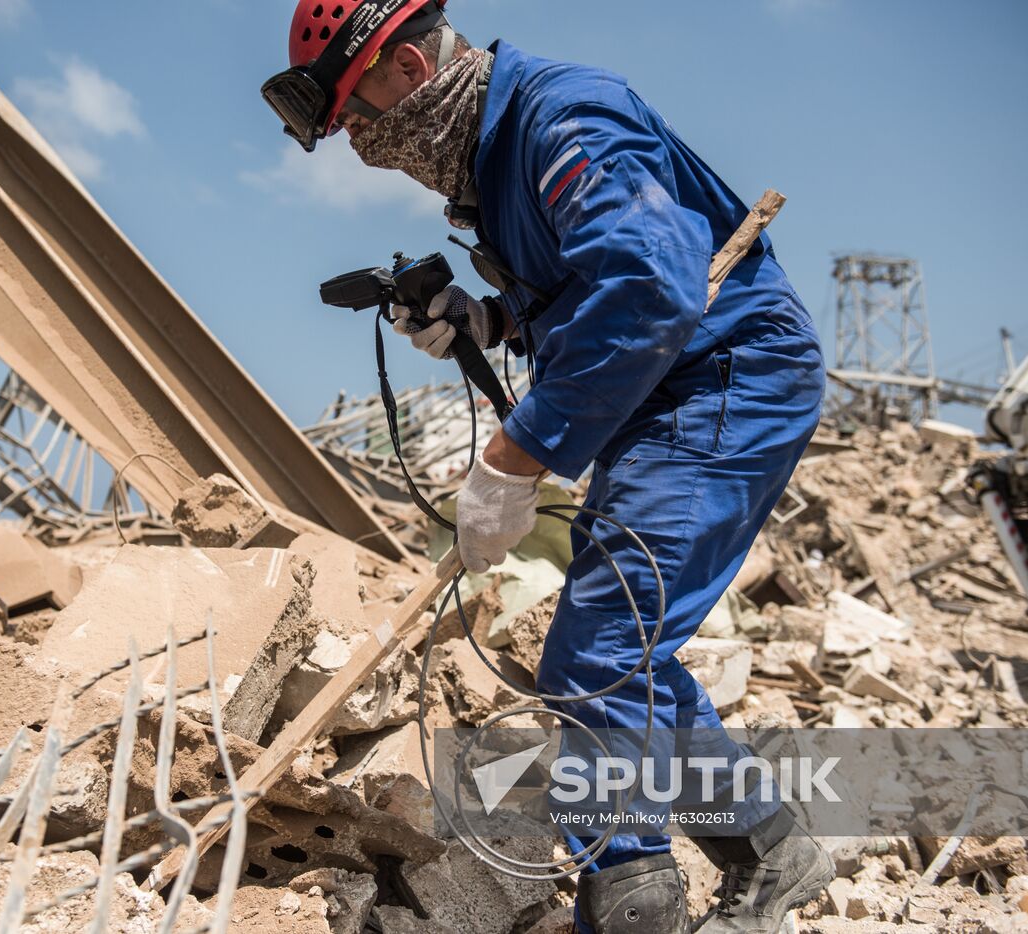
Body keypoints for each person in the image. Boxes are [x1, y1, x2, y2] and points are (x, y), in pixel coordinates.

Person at [263, 2, 832, 932]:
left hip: (726, 381)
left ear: (407, 64)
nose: (362, 144)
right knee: (625, 644)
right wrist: (488, 322)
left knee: (594, 651)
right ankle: (770, 844)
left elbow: (649, 288)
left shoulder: (563, 119)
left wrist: (511, 460)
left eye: (357, 116)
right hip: (670, 393)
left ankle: (633, 898)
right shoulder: (493, 158)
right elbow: (584, 288)